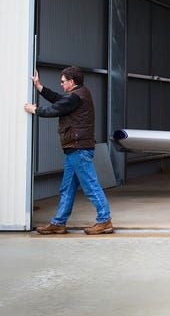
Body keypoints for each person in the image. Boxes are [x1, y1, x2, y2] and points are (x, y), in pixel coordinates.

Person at [23, 67, 113, 235]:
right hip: (74, 150)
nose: (61, 84)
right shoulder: (78, 94)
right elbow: (59, 101)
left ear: (71, 82)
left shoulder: (77, 96)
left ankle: (104, 220)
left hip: (79, 150)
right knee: (67, 189)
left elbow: (55, 109)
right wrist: (39, 87)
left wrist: (35, 110)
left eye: (63, 81)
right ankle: (59, 222)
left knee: (91, 187)